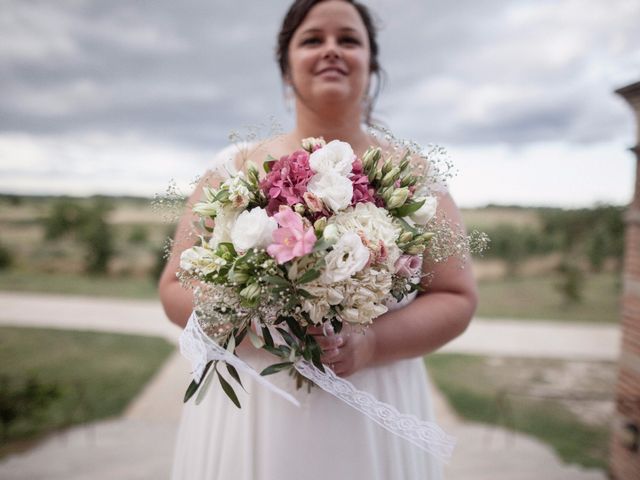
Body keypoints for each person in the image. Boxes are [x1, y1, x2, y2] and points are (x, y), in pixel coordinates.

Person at [159, 1, 478, 478]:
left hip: (372, 402)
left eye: (348, 39)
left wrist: (370, 343)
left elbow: (456, 296)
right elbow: (174, 289)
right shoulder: (233, 170)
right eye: (312, 40)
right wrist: (260, 327)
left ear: (371, 64)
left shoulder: (413, 177)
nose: (331, 50)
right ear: (286, 68)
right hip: (257, 406)